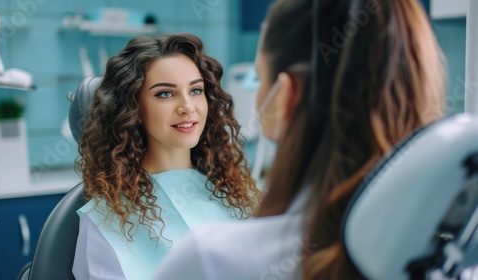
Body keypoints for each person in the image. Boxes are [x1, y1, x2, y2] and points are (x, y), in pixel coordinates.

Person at [152, 0, 447, 279]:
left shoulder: (212, 261)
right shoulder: (447, 258)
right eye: (165, 93)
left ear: (285, 96)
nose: (187, 107)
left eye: (260, 76)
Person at [72, 33, 260, 280]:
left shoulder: (234, 194)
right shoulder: (106, 221)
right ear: (133, 108)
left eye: (195, 90)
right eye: (165, 94)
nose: (187, 107)